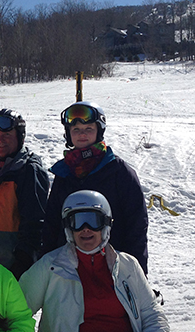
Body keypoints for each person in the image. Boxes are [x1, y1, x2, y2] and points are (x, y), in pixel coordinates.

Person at [20, 190, 195, 332]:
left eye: (93, 220)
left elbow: (151, 314)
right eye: (77, 221)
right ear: (69, 227)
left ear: (106, 224)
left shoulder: (127, 265)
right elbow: (17, 311)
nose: (86, 229)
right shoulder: (50, 267)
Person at [40, 101, 148, 274]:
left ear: (99, 131)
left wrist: (137, 276)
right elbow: (52, 223)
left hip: (111, 267)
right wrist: (45, 267)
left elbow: (136, 226)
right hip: (69, 268)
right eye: (76, 130)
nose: (82, 134)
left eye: (88, 129)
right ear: (68, 134)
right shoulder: (64, 173)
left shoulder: (119, 172)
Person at [0, 109, 49, 279]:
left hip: (13, 270)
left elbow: (36, 225)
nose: (0, 141)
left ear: (20, 137)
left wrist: (22, 264)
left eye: (6, 135)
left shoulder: (28, 171)